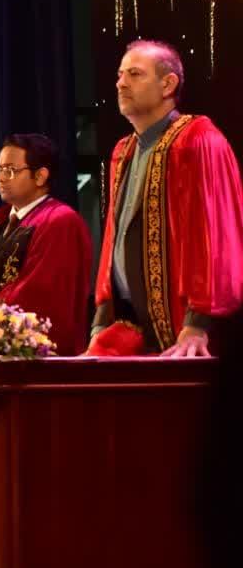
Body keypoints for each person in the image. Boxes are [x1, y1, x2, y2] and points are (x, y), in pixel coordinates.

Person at [90, 39, 243, 356]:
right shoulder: (124, 150)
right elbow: (113, 240)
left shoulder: (198, 139)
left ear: (168, 84)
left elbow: (215, 233)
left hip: (188, 334)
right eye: (120, 74)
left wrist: (198, 323)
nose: (121, 83)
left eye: (134, 74)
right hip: (131, 327)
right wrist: (101, 323)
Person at [0, 134, 93, 355]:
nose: (1, 178)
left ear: (40, 176)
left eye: (10, 170)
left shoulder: (60, 221)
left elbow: (35, 293)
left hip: (33, 357)